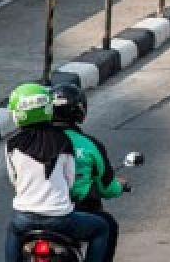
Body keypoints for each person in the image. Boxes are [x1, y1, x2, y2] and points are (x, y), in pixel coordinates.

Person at [4, 83, 111, 262]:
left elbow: (14, 179)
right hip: (60, 219)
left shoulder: (12, 144)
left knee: (12, 230)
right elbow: (69, 179)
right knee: (101, 228)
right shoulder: (63, 141)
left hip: (24, 217)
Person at [51, 84, 124, 262]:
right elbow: (107, 188)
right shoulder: (89, 144)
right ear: (80, 111)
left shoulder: (36, 141)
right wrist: (120, 186)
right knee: (107, 226)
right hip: (76, 211)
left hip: (34, 212)